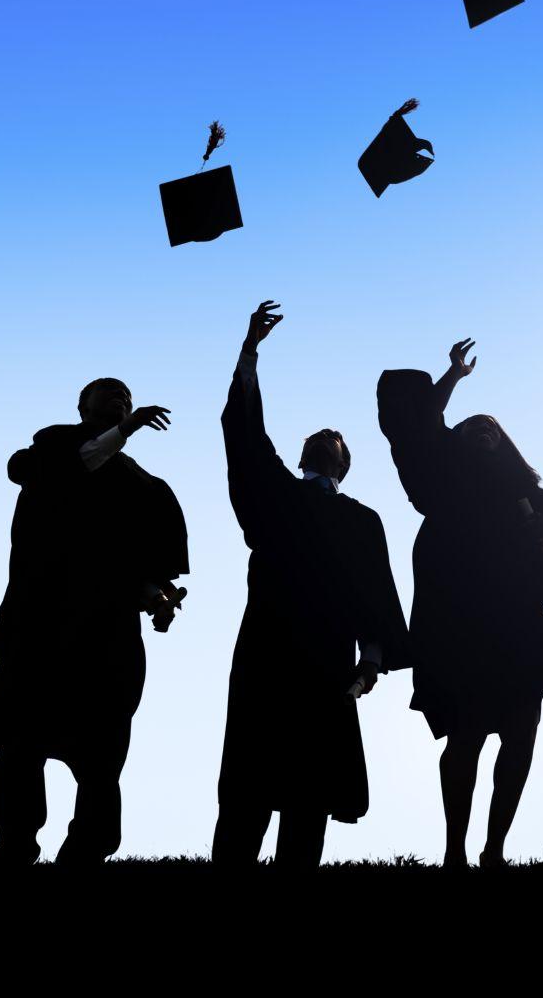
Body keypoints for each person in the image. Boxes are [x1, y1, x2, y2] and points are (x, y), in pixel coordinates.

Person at [212, 302, 411, 867]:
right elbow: (246, 437)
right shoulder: (277, 495)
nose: (327, 439)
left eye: (336, 440)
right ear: (304, 456)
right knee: (249, 785)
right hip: (266, 652)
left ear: (344, 464)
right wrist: (250, 351)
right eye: (320, 438)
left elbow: (376, 597)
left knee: (309, 793)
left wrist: (370, 660)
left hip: (326, 662)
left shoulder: (362, 520)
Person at [377, 337, 543, 868]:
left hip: (519, 631)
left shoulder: (536, 501)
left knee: (519, 734)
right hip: (463, 628)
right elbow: (415, 429)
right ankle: (454, 851)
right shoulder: (443, 489)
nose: (481, 429)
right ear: (455, 444)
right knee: (465, 739)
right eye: (470, 427)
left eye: (490, 427)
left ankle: (495, 849)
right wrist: (451, 380)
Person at [0, 377, 187, 865]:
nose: (121, 398)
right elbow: (66, 468)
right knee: (22, 736)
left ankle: (87, 849)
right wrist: (125, 430)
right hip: (41, 621)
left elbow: (143, 566)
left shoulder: (145, 487)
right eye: (108, 391)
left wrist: (158, 598)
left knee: (103, 748)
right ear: (82, 405)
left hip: (106, 632)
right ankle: (15, 844)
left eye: (127, 396)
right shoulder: (52, 445)